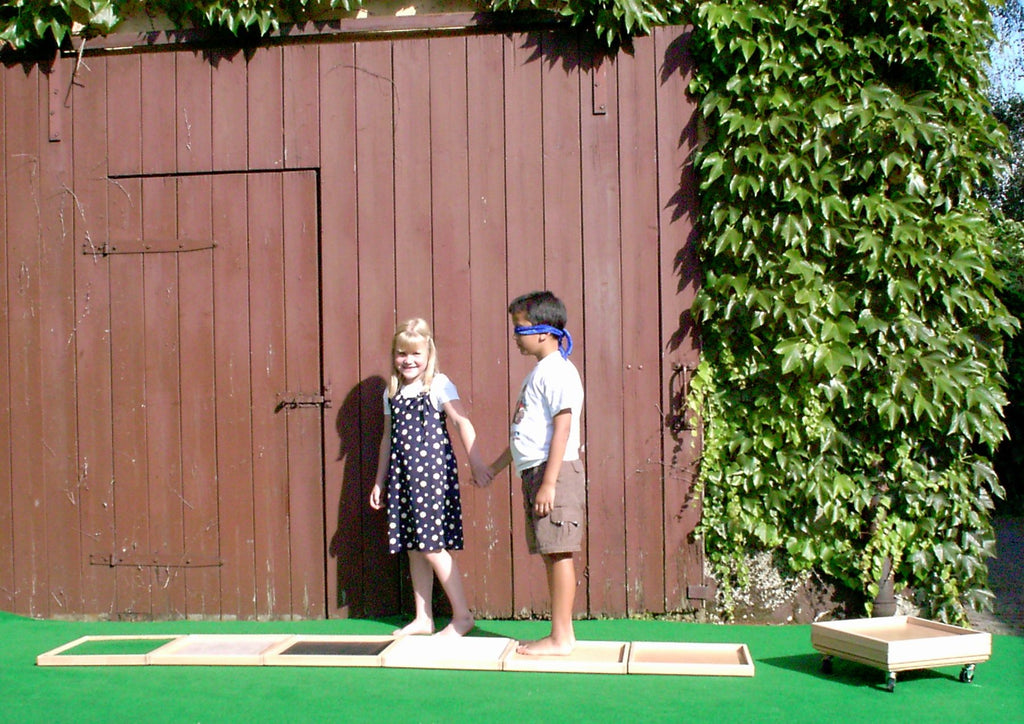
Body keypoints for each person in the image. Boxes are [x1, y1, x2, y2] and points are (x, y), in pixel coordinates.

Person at [370, 318, 492, 637]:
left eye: (415, 354)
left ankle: (462, 615)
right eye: (401, 353)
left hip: (431, 478)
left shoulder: (437, 385)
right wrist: (380, 480)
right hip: (402, 478)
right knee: (414, 546)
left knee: (432, 545)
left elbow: (461, 422)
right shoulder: (392, 392)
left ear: (428, 354)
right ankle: (423, 618)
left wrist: (476, 463)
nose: (408, 360)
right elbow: (387, 438)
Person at [488, 291, 585, 655]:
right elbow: (524, 436)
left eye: (519, 328)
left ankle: (560, 637)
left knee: (559, 554)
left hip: (554, 474)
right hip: (538, 473)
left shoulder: (558, 372)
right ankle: (563, 634)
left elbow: (563, 428)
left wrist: (549, 483)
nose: (515, 336)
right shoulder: (539, 373)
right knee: (550, 552)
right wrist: (494, 469)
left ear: (543, 332)